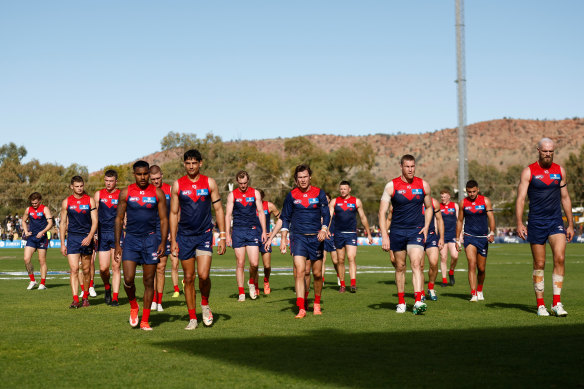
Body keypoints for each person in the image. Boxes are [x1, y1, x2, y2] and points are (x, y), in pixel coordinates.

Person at [516, 138, 574, 316]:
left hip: (556, 221)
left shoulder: (560, 171)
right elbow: (520, 198)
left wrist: (570, 223)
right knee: (539, 263)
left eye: (551, 151)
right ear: (538, 150)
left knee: (560, 258)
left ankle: (557, 303)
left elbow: (565, 197)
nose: (548, 154)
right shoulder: (529, 171)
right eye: (545, 151)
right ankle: (540, 304)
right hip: (536, 222)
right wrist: (519, 222)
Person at [170, 149, 226, 330]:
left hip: (204, 235)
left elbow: (218, 210)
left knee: (203, 275)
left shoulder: (209, 182)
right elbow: (173, 213)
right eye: (188, 163)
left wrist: (223, 235)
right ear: (184, 164)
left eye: (194, 163)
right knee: (188, 277)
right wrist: (172, 240)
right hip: (184, 236)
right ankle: (192, 318)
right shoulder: (178, 185)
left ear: (200, 163)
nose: (191, 166)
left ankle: (204, 304)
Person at [265, 164, 330, 318]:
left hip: (316, 237)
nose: (302, 180)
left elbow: (326, 215)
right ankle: (301, 307)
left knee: (317, 274)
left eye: (305, 177)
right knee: (300, 271)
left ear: (310, 177)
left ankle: (316, 303)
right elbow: (285, 218)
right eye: (299, 177)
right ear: (296, 179)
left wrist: (324, 229)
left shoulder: (319, 193)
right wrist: (282, 238)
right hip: (298, 237)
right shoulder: (291, 195)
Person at [114, 161, 168, 331]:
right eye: (140, 174)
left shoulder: (158, 193)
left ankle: (144, 320)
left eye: (146, 174)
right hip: (131, 240)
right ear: (134, 174)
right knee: (128, 279)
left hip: (150, 241)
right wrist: (117, 244)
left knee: (148, 282)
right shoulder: (126, 192)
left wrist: (163, 241)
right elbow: (119, 219)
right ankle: (133, 306)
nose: (143, 177)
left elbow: (164, 219)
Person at [378, 154, 433, 315]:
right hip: (397, 231)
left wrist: (426, 225)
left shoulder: (423, 185)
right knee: (400, 266)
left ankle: (417, 300)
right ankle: (401, 301)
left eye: (413, 166)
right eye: (407, 166)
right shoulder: (391, 186)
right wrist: (384, 235)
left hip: (416, 230)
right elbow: (382, 212)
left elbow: (429, 207)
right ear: (401, 166)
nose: (410, 169)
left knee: (416, 264)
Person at [225, 171, 267, 301]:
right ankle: (241, 292)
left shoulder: (255, 193)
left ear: (248, 181)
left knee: (254, 263)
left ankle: (251, 282)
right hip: (238, 231)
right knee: (240, 263)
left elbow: (261, 212)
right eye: (240, 183)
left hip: (252, 230)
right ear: (237, 182)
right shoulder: (232, 195)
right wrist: (227, 234)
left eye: (245, 183)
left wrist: (264, 231)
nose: (243, 185)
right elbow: (228, 215)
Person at [59, 176, 98, 308]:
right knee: (74, 269)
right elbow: (63, 223)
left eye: (81, 186)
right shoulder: (66, 202)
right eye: (77, 186)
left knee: (86, 270)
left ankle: (85, 297)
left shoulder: (90, 201)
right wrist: (62, 243)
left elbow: (95, 221)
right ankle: (76, 299)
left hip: (86, 238)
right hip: (72, 239)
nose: (79, 188)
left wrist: (90, 236)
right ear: (72, 187)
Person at [329, 181, 373, 293]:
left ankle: (353, 284)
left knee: (351, 258)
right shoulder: (334, 201)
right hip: (338, 234)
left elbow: (363, 217)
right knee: (340, 260)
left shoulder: (356, 201)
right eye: (341, 189)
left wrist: (368, 233)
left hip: (351, 234)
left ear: (349, 189)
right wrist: (326, 230)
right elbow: (328, 217)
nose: (343, 190)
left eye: (345, 188)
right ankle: (342, 285)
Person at [455, 180, 496, 302]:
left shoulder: (485, 201)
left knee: (481, 268)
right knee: (471, 264)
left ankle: (479, 289)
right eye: (469, 192)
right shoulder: (463, 203)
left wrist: (492, 232)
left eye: (473, 191)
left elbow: (491, 218)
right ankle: (473, 294)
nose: (471, 194)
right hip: (469, 237)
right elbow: (460, 221)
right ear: (466, 191)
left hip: (482, 238)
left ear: (478, 190)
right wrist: (457, 239)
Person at [149, 165, 177, 311]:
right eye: (153, 179)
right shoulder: (146, 191)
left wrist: (173, 232)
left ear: (162, 175)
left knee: (161, 267)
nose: (155, 181)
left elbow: (175, 212)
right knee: (151, 267)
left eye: (158, 178)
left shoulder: (170, 190)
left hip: (164, 232)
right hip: (149, 232)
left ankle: (159, 301)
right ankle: (152, 299)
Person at [94, 169, 121, 306]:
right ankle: (107, 287)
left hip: (118, 234)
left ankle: (115, 297)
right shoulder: (99, 194)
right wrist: (93, 232)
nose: (108, 183)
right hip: (102, 233)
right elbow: (94, 216)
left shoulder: (121, 194)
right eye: (106, 181)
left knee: (116, 267)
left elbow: (125, 214)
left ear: (116, 181)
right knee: (103, 268)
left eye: (111, 181)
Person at [22, 192, 54, 290]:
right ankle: (32, 280)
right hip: (31, 238)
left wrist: (43, 231)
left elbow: (50, 223)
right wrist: (26, 231)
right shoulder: (28, 209)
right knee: (26, 259)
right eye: (32, 203)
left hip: (42, 238)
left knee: (42, 261)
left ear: (39, 201)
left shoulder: (45, 209)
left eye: (36, 203)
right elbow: (23, 221)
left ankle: (42, 283)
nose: (34, 205)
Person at [257, 189, 280, 295]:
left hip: (265, 239)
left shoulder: (269, 205)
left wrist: (273, 232)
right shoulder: (250, 206)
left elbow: (281, 219)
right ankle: (255, 285)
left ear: (262, 197)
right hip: (252, 238)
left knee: (267, 266)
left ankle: (266, 281)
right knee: (254, 265)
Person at [422, 197, 444, 301]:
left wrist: (441, 238)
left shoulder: (434, 202)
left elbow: (439, 220)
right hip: (417, 236)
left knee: (434, 264)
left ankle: (431, 288)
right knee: (419, 266)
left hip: (431, 236)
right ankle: (420, 292)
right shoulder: (413, 201)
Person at [439, 189, 460, 286]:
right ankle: (444, 280)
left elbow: (459, 221)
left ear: (449, 197)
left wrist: (460, 236)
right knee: (443, 258)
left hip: (453, 235)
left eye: (444, 197)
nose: (442, 198)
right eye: (441, 197)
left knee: (455, 256)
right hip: (442, 236)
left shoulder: (455, 206)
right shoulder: (438, 206)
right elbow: (436, 221)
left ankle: (451, 271)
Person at [322, 193, 338, 288]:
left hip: (333, 237)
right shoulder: (319, 209)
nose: (325, 200)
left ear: (330, 200)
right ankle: (321, 279)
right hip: (322, 237)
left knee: (335, 261)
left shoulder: (334, 210)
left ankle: (339, 276)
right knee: (322, 260)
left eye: (327, 198)